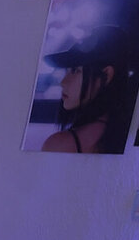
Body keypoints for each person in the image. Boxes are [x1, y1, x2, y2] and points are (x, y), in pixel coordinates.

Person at [41, 23, 133, 154]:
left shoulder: (59, 145)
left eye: (75, 70)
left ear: (106, 75)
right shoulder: (128, 136)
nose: (63, 82)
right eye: (67, 71)